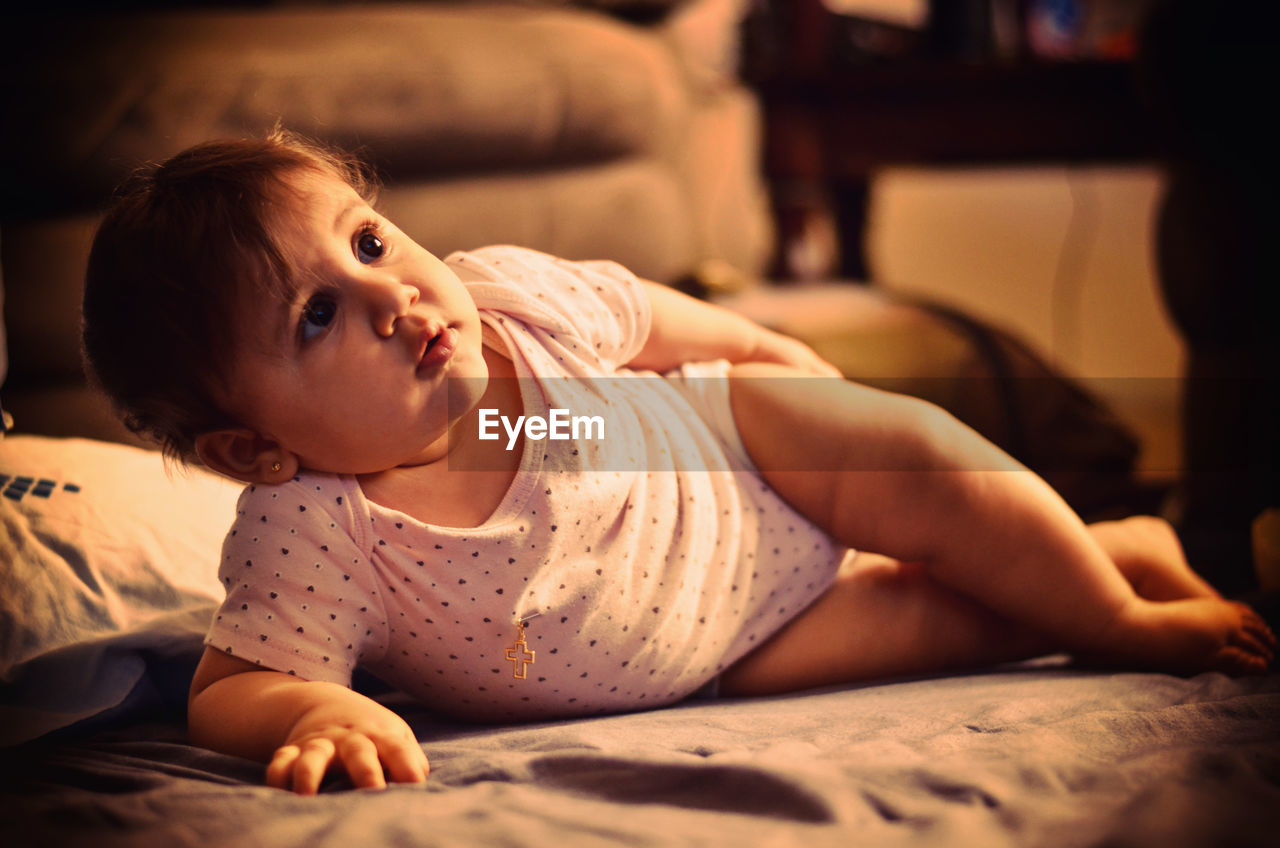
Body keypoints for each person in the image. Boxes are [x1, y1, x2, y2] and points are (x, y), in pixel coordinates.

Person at [81, 130, 1274, 796]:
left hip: (746, 457)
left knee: (914, 465)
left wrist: (776, 358)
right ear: (256, 446)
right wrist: (316, 705)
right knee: (945, 618)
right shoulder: (314, 530)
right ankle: (1117, 550)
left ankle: (1107, 608)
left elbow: (661, 323)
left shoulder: (514, 306)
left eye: (371, 239)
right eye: (315, 317)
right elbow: (228, 687)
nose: (391, 295)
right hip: (727, 648)